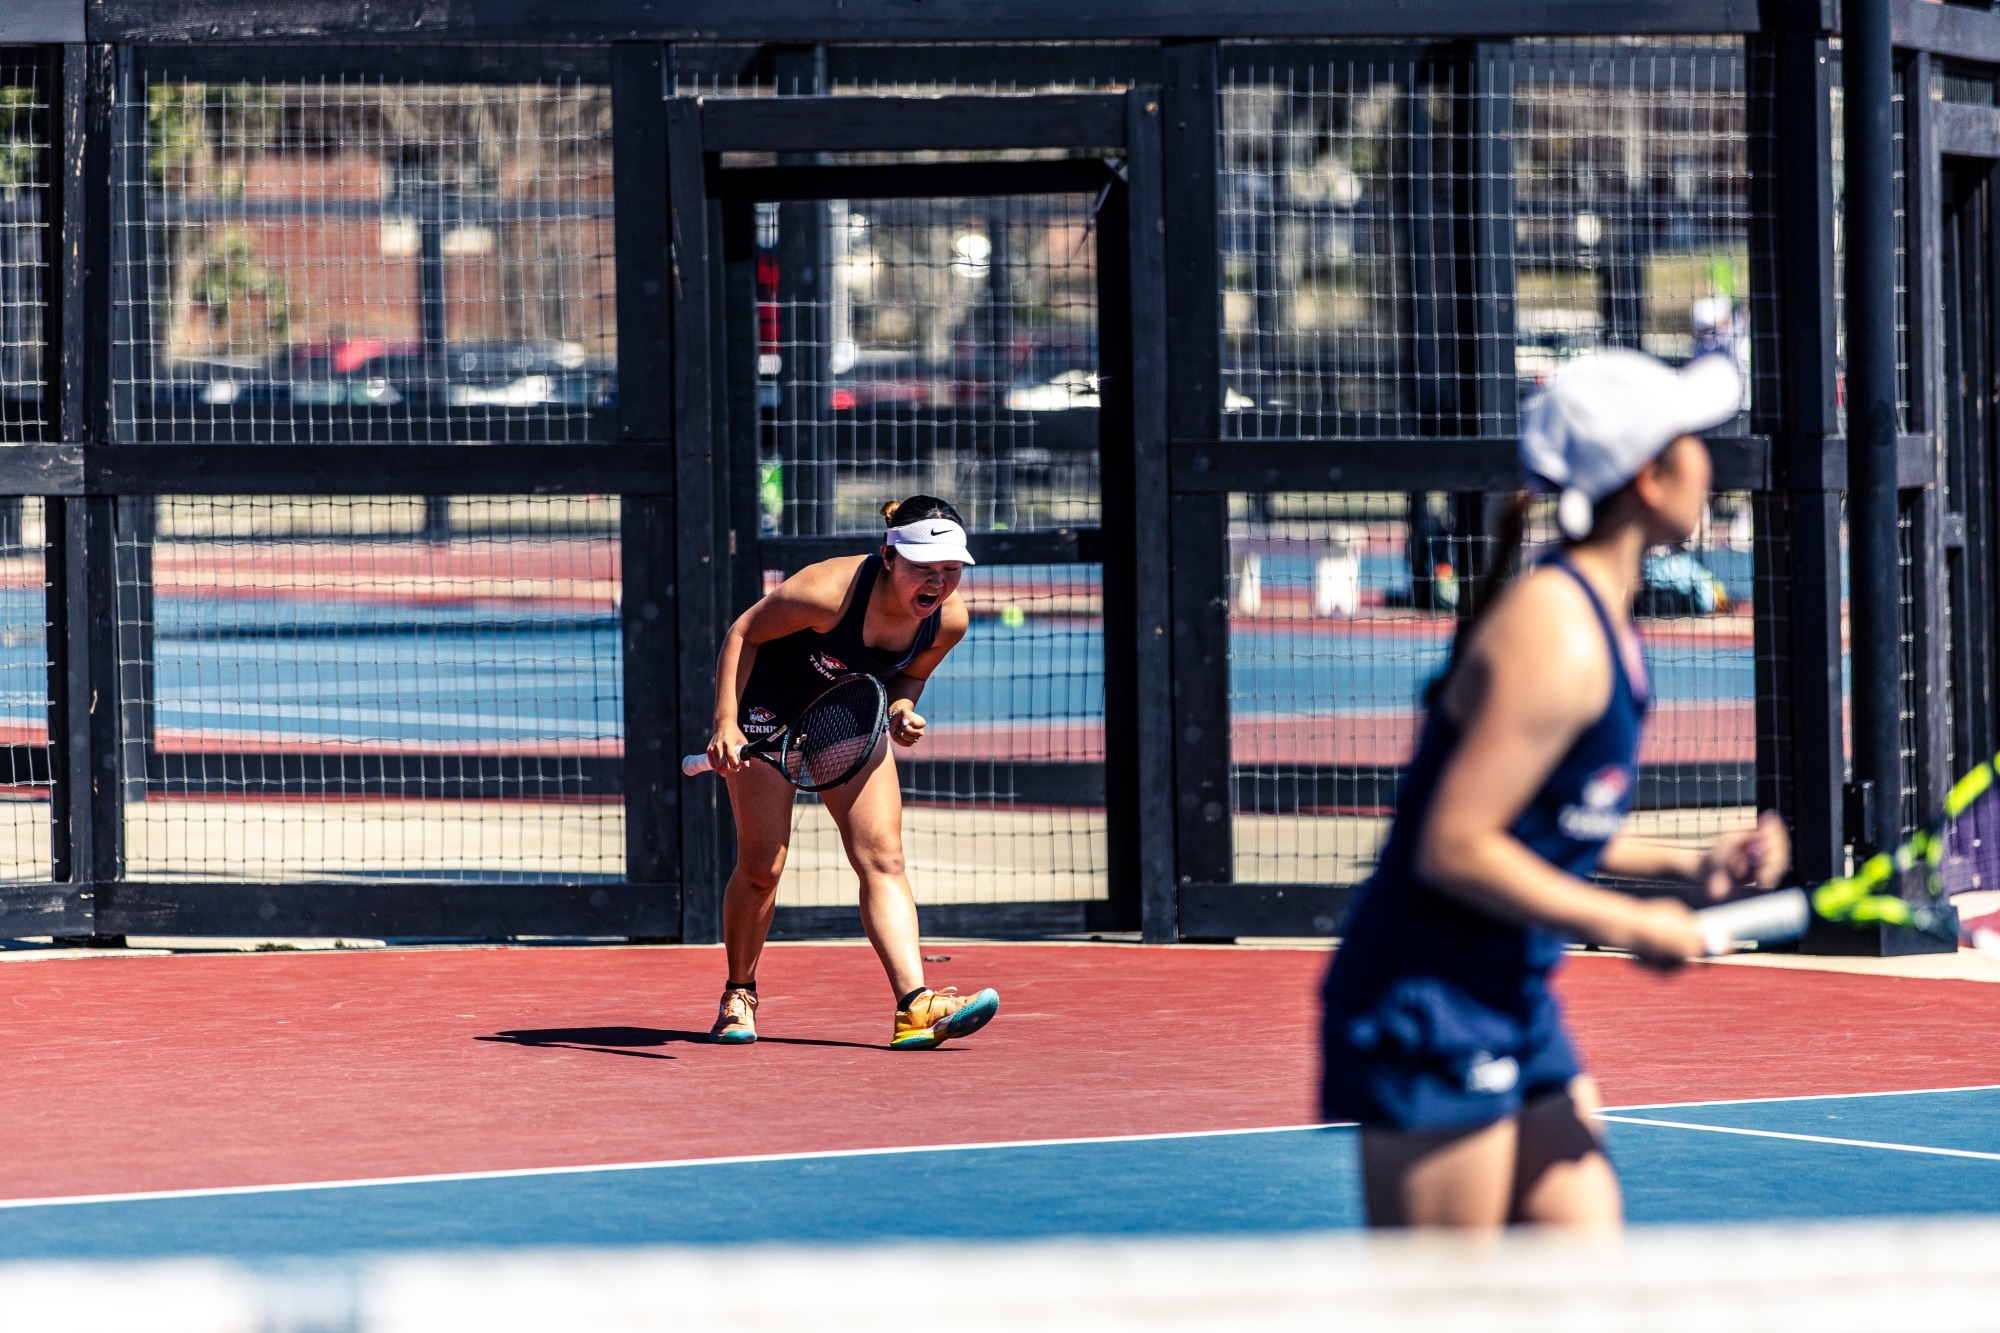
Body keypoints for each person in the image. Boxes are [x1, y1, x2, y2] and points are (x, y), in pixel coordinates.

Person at [1320, 349, 1790, 1229]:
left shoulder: (1604, 619)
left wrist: (1689, 866)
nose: (1711, 462)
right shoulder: (1556, 631)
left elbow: (1544, 826)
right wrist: (1629, 923)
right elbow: (1457, 844)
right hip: (1432, 999)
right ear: (1650, 477)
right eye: (1693, 441)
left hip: (1513, 994)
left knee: (1580, 1268)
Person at [703, 495, 1000, 1051]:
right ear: (888, 557)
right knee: (762, 867)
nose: (937, 583)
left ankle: (915, 1006)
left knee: (883, 858)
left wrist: (901, 711)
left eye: (950, 569)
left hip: (847, 716)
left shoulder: (948, 621)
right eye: (922, 568)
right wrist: (725, 724)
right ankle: (739, 993)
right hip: (765, 712)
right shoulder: (826, 590)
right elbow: (743, 633)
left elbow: (909, 678)